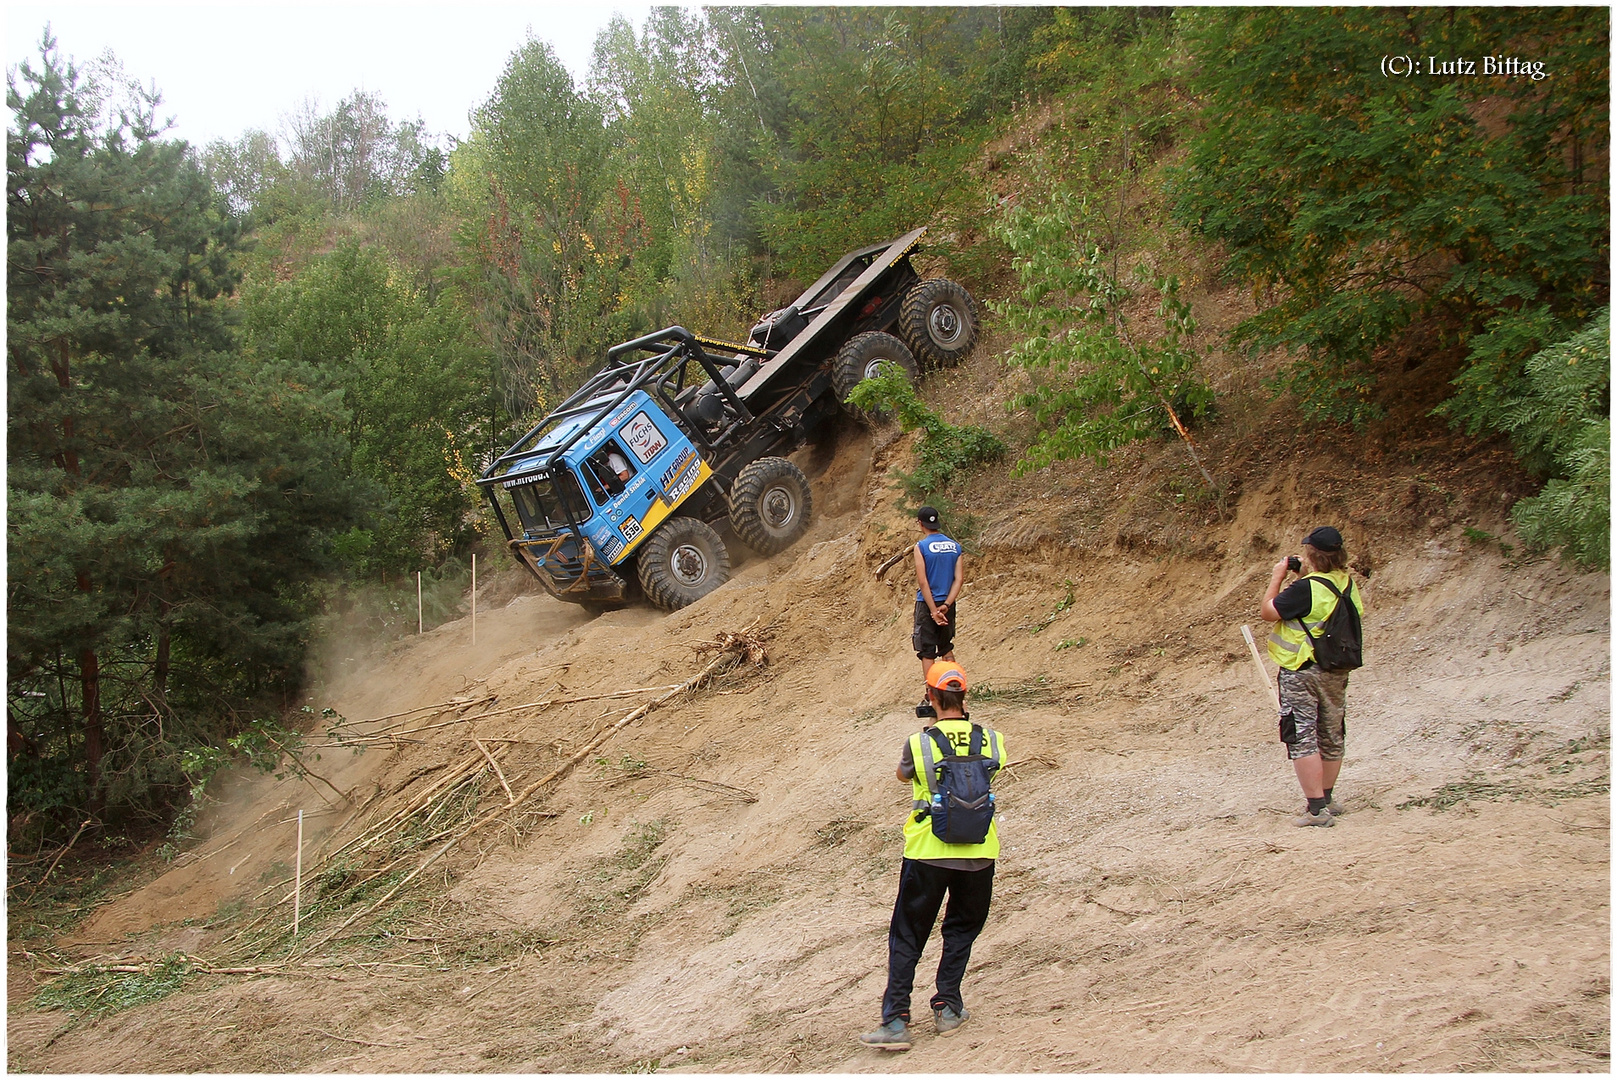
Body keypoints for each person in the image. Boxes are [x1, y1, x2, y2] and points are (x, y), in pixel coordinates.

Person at [861, 660, 1004, 1051]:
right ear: (964, 696)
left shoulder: (919, 743)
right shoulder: (992, 739)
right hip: (979, 852)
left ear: (930, 697)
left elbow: (903, 776)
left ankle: (895, 1021)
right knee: (960, 930)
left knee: (908, 933)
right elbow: (992, 771)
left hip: (927, 852)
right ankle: (948, 1006)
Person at [1260, 526, 1365, 827]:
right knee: (1331, 731)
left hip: (1301, 669)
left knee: (1302, 734)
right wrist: (1302, 579)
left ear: (1311, 556)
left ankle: (1316, 809)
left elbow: (1269, 611)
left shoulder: (1307, 588)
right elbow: (1322, 612)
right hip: (1335, 668)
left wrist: (1277, 577)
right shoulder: (1346, 584)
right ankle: (1327, 798)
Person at [911, 506, 963, 718]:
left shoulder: (921, 547)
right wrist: (946, 605)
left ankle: (931, 693)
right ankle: (955, 690)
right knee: (945, 647)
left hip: (927, 605)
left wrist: (933, 610)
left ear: (920, 524)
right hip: (947, 604)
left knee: (927, 652)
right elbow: (958, 579)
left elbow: (923, 581)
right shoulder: (955, 546)